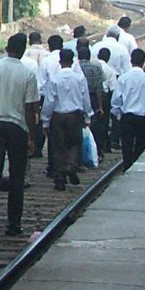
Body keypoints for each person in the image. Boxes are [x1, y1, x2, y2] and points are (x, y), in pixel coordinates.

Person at [0, 32, 40, 238]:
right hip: (17, 128)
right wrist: (31, 137)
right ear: (22, 50)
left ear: (7, 48)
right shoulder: (28, 74)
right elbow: (30, 109)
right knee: (17, 177)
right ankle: (13, 224)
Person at [40, 48, 92, 190]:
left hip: (58, 116)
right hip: (75, 115)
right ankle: (71, 166)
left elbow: (49, 101)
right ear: (73, 61)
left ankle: (60, 178)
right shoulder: (79, 78)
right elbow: (85, 98)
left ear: (60, 61)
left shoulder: (55, 79)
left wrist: (45, 119)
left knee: (59, 146)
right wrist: (88, 115)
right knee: (75, 143)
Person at [111, 49, 145, 169]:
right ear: (143, 62)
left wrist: (118, 114)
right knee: (141, 142)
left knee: (126, 143)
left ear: (131, 60)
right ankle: (138, 166)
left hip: (127, 115)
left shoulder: (123, 78)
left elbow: (116, 100)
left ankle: (127, 166)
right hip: (142, 117)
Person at [78, 39, 111, 158]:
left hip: (78, 99)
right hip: (93, 98)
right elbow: (99, 88)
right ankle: (97, 151)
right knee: (95, 126)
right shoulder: (95, 68)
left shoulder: (75, 68)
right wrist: (101, 106)